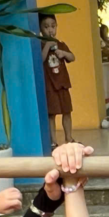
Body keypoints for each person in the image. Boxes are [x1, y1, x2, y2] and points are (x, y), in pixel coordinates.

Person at [40, 12, 75, 145]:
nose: (50, 30)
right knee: (51, 114)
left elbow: (72, 57)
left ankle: (69, 138)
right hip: (50, 86)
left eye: (53, 26)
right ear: (40, 29)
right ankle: (53, 141)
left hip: (63, 84)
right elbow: (40, 59)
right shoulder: (41, 46)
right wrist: (47, 46)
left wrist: (64, 53)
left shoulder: (61, 45)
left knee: (67, 111)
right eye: (46, 27)